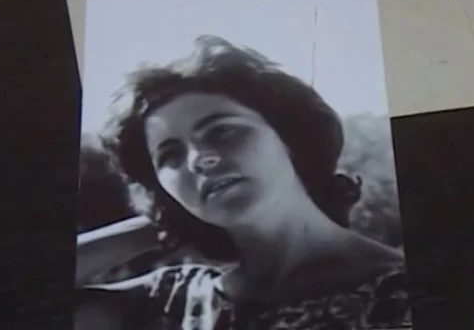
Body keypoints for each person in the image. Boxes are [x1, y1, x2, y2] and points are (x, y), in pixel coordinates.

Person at [75, 36, 413, 329]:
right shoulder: (170, 302)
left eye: (222, 131)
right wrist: (161, 226)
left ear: (290, 138)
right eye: (170, 155)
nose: (199, 160)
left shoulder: (406, 290)